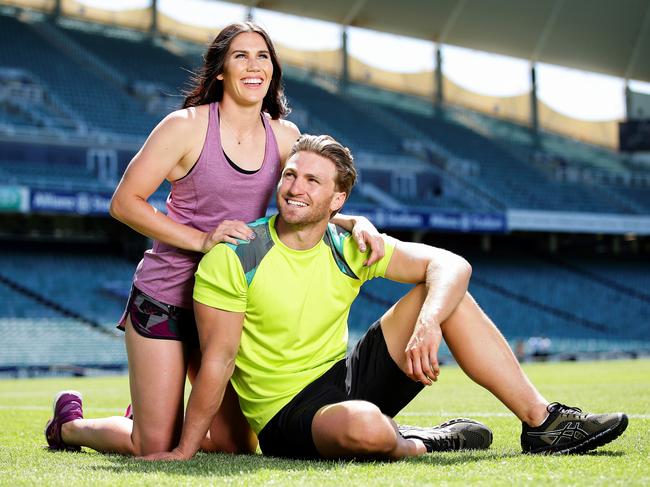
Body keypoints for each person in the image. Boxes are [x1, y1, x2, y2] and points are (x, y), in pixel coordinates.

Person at [144, 134, 628, 461]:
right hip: (287, 413)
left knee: (443, 294)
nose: (295, 188)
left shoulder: (349, 245)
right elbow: (220, 360)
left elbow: (452, 265)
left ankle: (541, 423)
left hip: (346, 376)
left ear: (338, 201)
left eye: (313, 181)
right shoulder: (236, 255)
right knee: (368, 429)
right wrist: (186, 449)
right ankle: (421, 442)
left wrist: (428, 323)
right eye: (290, 175)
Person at [44, 23, 384, 456]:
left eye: (263, 56)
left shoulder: (284, 136)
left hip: (229, 303)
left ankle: (155, 410)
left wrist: (355, 223)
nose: (254, 65)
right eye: (241, 55)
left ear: (273, 70)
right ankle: (70, 425)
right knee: (153, 446)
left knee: (234, 446)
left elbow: (307, 202)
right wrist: (203, 240)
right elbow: (125, 203)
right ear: (221, 69)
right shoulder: (184, 126)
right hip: (166, 298)